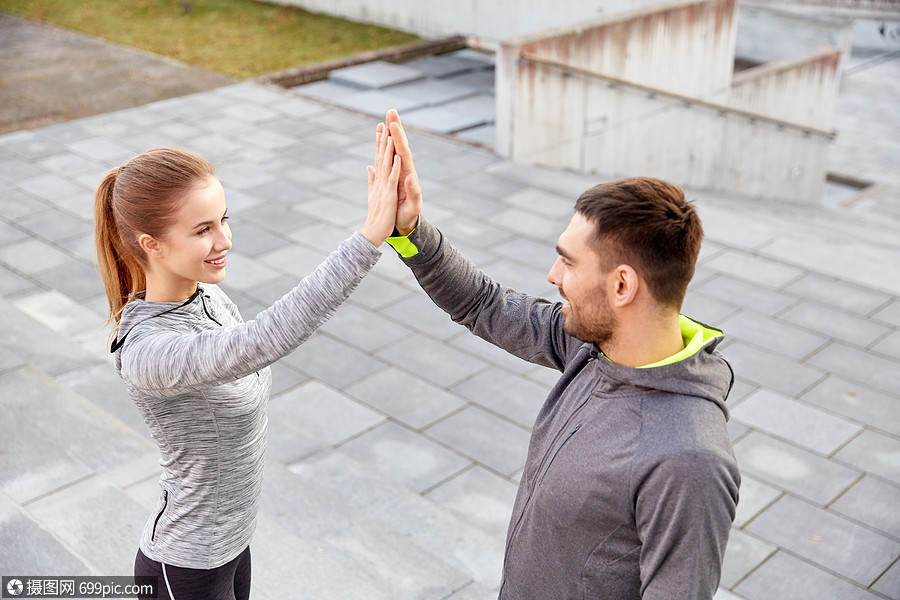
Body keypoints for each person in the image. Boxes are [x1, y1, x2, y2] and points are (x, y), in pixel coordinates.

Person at [381, 110, 740, 599]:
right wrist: (410, 230)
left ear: (621, 284)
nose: (553, 274)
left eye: (568, 261)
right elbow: (483, 304)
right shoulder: (594, 347)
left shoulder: (689, 459)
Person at [93, 123, 402, 600]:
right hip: (186, 565)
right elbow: (264, 339)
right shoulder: (148, 352)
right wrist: (370, 237)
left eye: (223, 219)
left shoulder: (208, 298)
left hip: (232, 544)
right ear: (151, 243)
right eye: (203, 230)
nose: (225, 240)